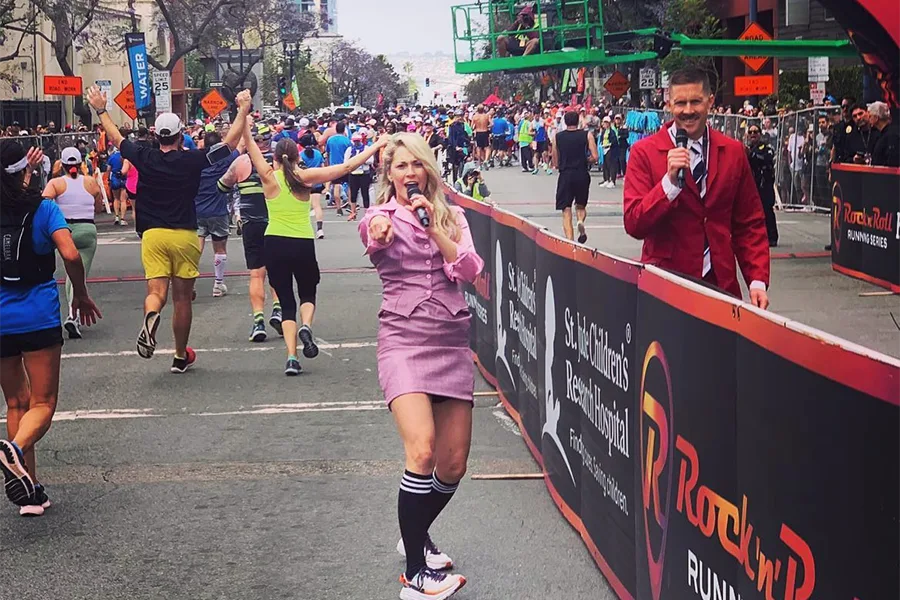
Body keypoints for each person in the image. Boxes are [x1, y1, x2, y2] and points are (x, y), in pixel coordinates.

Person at [359, 132, 484, 600]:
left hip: (450, 341)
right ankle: (416, 573)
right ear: (388, 175)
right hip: (404, 341)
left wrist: (434, 228)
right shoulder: (379, 216)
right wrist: (380, 233)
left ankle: (417, 534)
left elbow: (470, 270)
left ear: (428, 169)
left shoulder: (452, 217)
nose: (409, 174)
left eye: (416, 165)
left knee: (453, 464)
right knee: (423, 451)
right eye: (399, 167)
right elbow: (373, 239)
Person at [86, 85, 252, 373]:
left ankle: (151, 314)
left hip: (153, 235)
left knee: (157, 291)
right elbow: (229, 145)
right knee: (182, 298)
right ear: (179, 136)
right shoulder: (192, 160)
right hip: (185, 233)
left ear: (155, 135)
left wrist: (101, 109)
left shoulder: (144, 157)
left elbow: (116, 137)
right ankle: (178, 354)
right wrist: (242, 110)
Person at [0, 141, 101, 516]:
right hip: (38, 314)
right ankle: (12, 450)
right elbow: (71, 253)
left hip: (1, 316)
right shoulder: (44, 210)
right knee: (43, 403)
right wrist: (81, 295)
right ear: (27, 173)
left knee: (16, 402)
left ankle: (29, 490)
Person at [243, 121, 387, 375]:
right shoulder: (306, 177)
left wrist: (244, 117)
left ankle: (291, 357)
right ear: (298, 157)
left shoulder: (268, 177)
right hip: (302, 242)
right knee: (307, 292)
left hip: (274, 241)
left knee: (286, 301)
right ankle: (306, 326)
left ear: (274, 159)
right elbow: (347, 166)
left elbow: (251, 145)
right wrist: (377, 144)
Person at [623, 68, 770, 307]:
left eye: (696, 102)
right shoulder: (644, 153)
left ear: (710, 102)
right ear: (669, 104)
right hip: (667, 286)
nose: (688, 111)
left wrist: (757, 280)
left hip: (721, 286)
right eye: (680, 103)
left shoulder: (733, 152)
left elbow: (749, 222)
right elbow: (634, 223)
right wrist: (668, 184)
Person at [218, 124, 283, 343]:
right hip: (276, 221)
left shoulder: (241, 162)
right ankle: (278, 309)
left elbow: (222, 186)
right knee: (277, 270)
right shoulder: (279, 162)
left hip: (251, 222)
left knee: (256, 273)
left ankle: (258, 321)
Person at [41, 147, 103, 338]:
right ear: (79, 164)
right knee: (78, 273)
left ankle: (72, 314)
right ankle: (72, 315)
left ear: (63, 164)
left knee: (71, 271)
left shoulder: (56, 183)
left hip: (64, 231)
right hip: (87, 229)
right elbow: (99, 207)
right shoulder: (91, 182)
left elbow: (44, 203)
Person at [194, 130, 239, 298]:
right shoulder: (225, 159)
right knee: (220, 248)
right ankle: (218, 284)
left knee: (195, 249)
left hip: (197, 209)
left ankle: (188, 281)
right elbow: (238, 146)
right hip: (218, 210)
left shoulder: (195, 160)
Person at [553, 110, 599, 244]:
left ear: (565, 122)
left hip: (566, 174)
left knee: (566, 209)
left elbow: (555, 158)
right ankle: (580, 221)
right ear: (578, 121)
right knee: (580, 205)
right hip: (582, 173)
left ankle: (570, 240)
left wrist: (558, 164)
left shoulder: (558, 136)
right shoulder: (587, 135)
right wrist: (586, 160)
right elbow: (595, 156)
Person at [746, 126, 778, 247]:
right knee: (752, 212)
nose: (753, 134)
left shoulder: (766, 148)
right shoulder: (748, 149)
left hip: (765, 183)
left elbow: (766, 159)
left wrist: (752, 155)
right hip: (752, 184)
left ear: (760, 134)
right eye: (750, 132)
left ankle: (772, 237)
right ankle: (756, 235)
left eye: (755, 132)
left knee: (767, 210)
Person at [299, 132, 327, 239]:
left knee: (305, 207)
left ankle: (304, 228)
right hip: (317, 182)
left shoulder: (301, 155)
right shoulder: (318, 153)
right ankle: (320, 229)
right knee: (317, 206)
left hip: (305, 182)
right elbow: (323, 167)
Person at [344, 132, 375, 221]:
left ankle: (366, 213)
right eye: (355, 141)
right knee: (353, 193)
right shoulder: (350, 149)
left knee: (365, 193)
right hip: (353, 173)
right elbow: (346, 161)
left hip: (364, 173)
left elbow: (370, 160)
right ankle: (353, 212)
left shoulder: (366, 149)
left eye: (358, 141)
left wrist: (361, 160)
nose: (356, 143)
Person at [325, 121, 352, 216]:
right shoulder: (347, 140)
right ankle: (349, 203)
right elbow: (350, 153)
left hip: (334, 166)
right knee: (348, 185)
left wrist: (328, 164)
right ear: (344, 129)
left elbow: (327, 153)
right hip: (345, 165)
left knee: (336, 186)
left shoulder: (330, 140)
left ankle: (338, 207)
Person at [106, 134, 131, 226]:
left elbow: (108, 169)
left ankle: (116, 216)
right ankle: (123, 218)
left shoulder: (112, 157)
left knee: (116, 198)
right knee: (123, 199)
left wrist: (108, 179)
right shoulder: (126, 156)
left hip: (115, 177)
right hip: (124, 177)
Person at [868, 101, 900, 167]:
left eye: (870, 116)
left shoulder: (892, 135)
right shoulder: (882, 134)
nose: (868, 119)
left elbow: (892, 161)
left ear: (876, 118)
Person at [599, 116, 619, 188]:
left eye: (607, 123)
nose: (605, 124)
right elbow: (602, 138)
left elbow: (614, 140)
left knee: (611, 165)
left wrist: (610, 144)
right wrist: (602, 143)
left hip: (610, 149)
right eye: (604, 122)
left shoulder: (612, 131)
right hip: (604, 148)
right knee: (605, 165)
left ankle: (612, 181)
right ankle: (606, 179)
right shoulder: (604, 131)